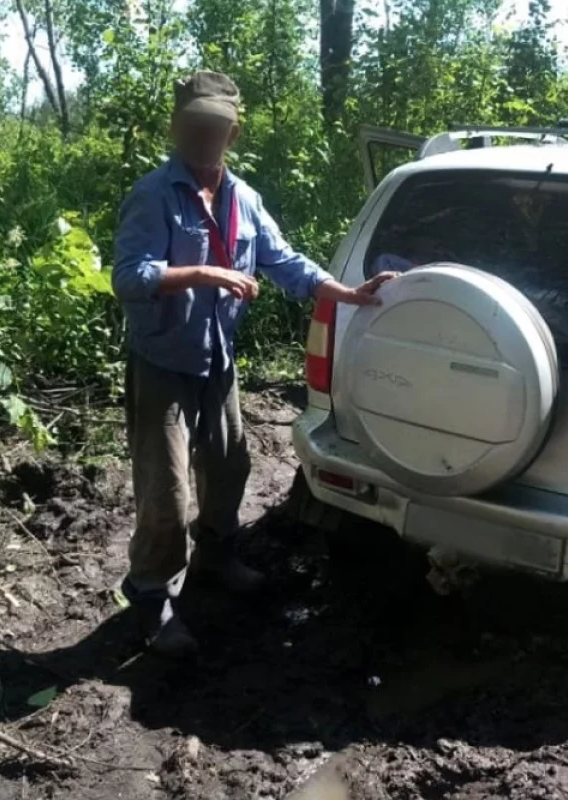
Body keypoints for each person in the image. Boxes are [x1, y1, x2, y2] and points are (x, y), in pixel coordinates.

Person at [112, 71, 397, 657]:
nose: (202, 136)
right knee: (165, 493)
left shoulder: (243, 198)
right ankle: (150, 596)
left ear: (232, 132)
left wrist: (346, 292)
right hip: (163, 363)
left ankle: (217, 557)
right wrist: (202, 272)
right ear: (176, 126)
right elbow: (128, 277)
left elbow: (284, 260)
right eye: (192, 125)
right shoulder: (153, 195)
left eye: (213, 127)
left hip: (218, 361)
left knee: (229, 467)